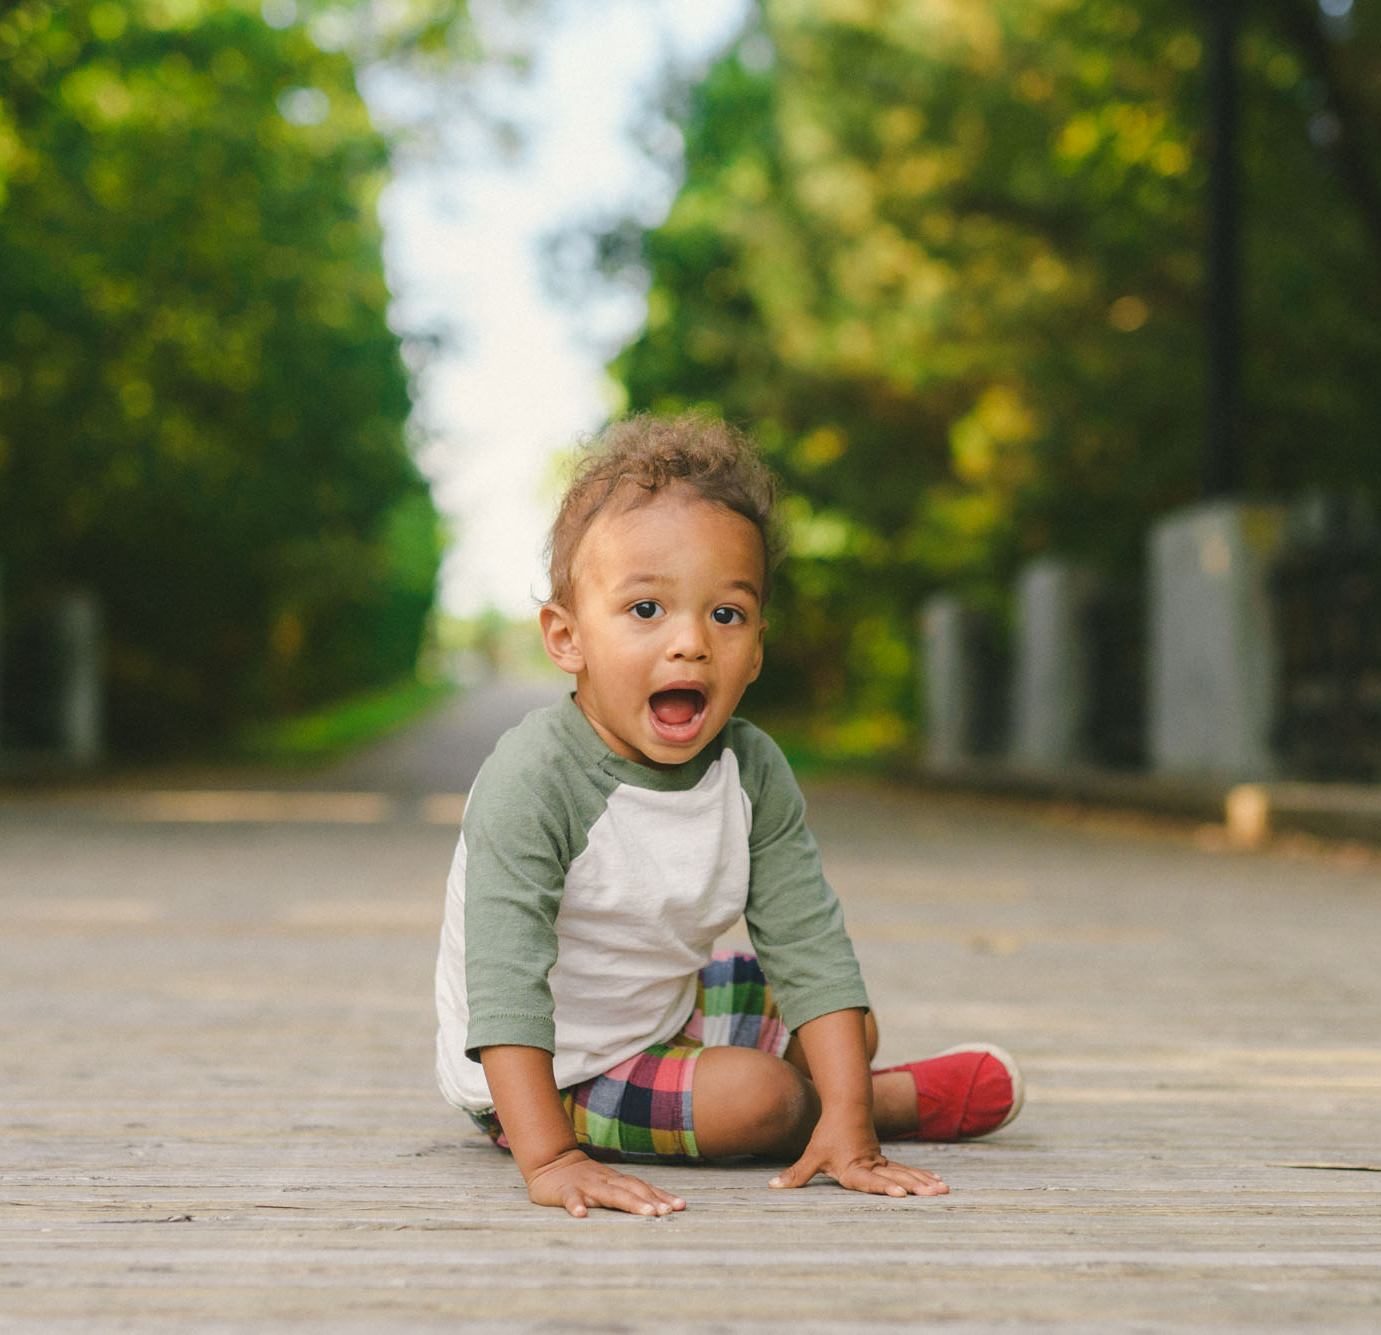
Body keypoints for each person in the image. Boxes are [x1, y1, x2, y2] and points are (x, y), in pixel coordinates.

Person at [432, 412, 1022, 1217]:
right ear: (567, 638)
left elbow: (809, 944)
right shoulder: (533, 780)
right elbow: (503, 986)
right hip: (544, 1068)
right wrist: (552, 1157)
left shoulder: (752, 769)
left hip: (658, 1002)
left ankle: (853, 1111)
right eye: (646, 610)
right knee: (761, 1099)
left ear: (757, 647)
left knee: (843, 1026)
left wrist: (847, 1121)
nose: (690, 643)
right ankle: (891, 1104)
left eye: (726, 614)